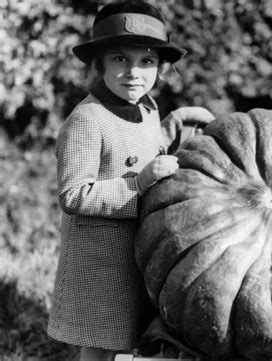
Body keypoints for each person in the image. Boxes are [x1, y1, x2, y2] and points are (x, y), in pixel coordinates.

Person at [47, 1, 214, 360]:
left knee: (131, 341)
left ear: (161, 68)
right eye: (121, 59)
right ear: (100, 62)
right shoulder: (87, 120)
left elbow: (142, 146)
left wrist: (176, 126)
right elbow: (73, 195)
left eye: (147, 61)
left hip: (139, 254)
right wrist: (137, 185)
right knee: (100, 346)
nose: (134, 73)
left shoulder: (148, 109)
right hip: (100, 261)